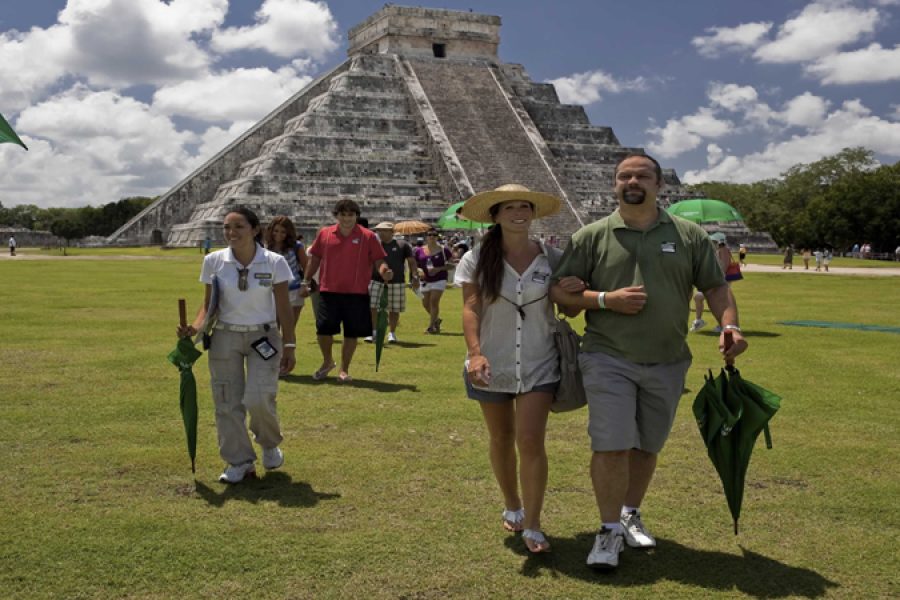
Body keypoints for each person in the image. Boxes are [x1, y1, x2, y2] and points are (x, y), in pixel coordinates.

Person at [550, 154, 747, 571]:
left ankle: (628, 512)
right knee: (611, 444)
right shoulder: (591, 236)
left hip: (668, 359)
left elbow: (715, 287)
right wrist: (604, 300)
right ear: (614, 186)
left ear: (660, 186)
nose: (632, 181)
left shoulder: (689, 235)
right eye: (624, 176)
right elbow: (562, 296)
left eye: (642, 175)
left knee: (646, 447)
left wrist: (731, 326)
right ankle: (607, 531)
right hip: (607, 356)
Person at [456, 183, 585, 554]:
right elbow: (470, 308)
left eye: (524, 206)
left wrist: (575, 289)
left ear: (533, 212)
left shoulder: (553, 257)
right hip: (490, 361)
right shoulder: (476, 258)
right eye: (509, 207)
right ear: (495, 215)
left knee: (530, 441)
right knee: (500, 438)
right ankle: (512, 503)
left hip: (539, 361)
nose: (518, 212)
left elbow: (570, 309)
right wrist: (475, 352)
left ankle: (534, 522)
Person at [176, 207, 296, 483]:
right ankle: (239, 461)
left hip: (263, 336)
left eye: (239, 227)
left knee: (259, 397)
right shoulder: (214, 261)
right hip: (224, 336)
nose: (231, 233)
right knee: (226, 401)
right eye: (227, 227)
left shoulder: (274, 262)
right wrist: (193, 329)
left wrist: (289, 344)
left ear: (255, 230)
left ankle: (268, 442)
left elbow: (283, 307)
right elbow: (209, 305)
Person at [301, 199, 393, 383]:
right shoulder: (325, 234)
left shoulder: (368, 236)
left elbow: (378, 260)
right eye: (343, 214)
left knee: (351, 333)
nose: (347, 219)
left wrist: (385, 271)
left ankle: (344, 369)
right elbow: (315, 259)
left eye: (351, 215)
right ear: (337, 216)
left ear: (356, 216)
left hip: (356, 292)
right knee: (323, 330)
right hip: (328, 290)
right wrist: (306, 280)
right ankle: (327, 361)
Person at [364, 222, 419, 344]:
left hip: (397, 281)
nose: (381, 233)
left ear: (392, 232)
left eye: (384, 230)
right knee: (372, 307)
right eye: (379, 231)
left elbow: (411, 262)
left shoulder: (402, 245)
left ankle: (392, 333)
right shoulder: (374, 245)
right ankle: (373, 332)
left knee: (394, 309)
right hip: (376, 280)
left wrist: (414, 276)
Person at [265, 216, 309, 344]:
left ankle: (287, 358)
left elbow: (307, 266)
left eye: (283, 232)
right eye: (276, 230)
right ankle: (275, 361)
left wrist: (304, 285)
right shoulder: (265, 247)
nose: (278, 234)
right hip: (272, 291)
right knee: (273, 329)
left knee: (289, 329)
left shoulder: (296, 246)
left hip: (293, 291)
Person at [415, 229, 453, 333]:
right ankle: (436, 320)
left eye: (434, 235)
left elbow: (452, 265)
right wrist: (419, 270)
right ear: (426, 237)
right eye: (429, 235)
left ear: (437, 237)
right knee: (425, 303)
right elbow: (415, 265)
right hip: (425, 280)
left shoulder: (444, 250)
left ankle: (431, 327)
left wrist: (439, 269)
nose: (432, 236)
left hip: (439, 279)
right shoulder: (419, 250)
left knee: (434, 301)